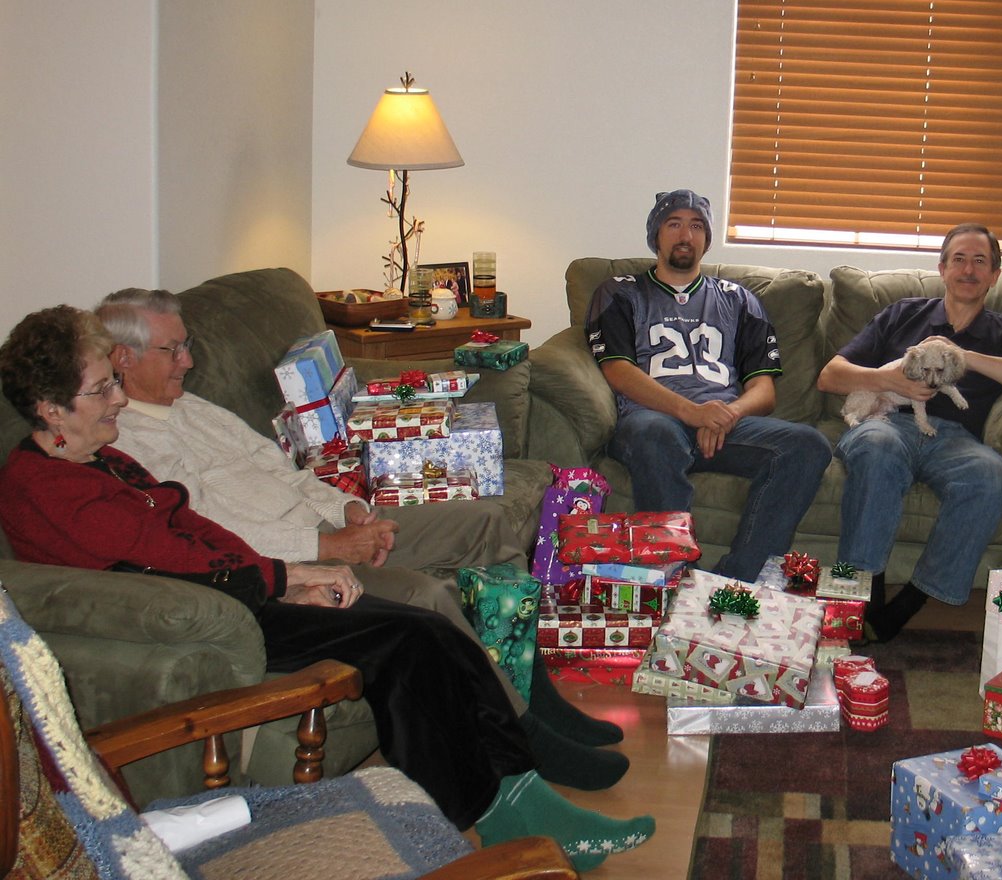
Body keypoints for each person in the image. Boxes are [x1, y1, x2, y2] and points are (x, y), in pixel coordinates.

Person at [0, 306, 654, 871]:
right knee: (410, 640)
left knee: (425, 633)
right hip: (220, 616)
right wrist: (288, 579)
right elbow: (168, 558)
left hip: (248, 587)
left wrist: (296, 569)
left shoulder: (102, 457)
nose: (116, 397)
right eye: (101, 388)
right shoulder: (49, 487)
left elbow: (197, 530)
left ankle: (519, 789)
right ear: (52, 409)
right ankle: (497, 807)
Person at [95, 288, 626, 781]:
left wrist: (348, 508)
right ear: (123, 357)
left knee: (484, 521)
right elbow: (210, 533)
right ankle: (523, 734)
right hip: (292, 558)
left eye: (186, 345)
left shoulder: (192, 407)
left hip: (324, 525)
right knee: (427, 594)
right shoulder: (125, 442)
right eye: (172, 350)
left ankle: (534, 688)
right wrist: (326, 547)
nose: (187, 361)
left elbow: (283, 471)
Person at [816, 223, 1002, 641]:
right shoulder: (903, 314)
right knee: (876, 448)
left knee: (992, 477)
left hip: (956, 439)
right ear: (942, 268)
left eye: (980, 261)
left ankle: (908, 603)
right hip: (885, 421)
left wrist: (964, 356)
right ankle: (866, 597)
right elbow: (830, 376)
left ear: (995, 275)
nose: (968, 270)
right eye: (959, 260)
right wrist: (888, 380)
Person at [585, 189, 831, 581]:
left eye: (697, 226)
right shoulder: (620, 291)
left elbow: (764, 391)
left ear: (707, 238)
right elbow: (618, 370)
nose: (686, 235)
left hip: (722, 425)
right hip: (652, 420)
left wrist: (726, 414)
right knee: (654, 434)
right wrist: (691, 412)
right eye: (674, 224)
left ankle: (737, 580)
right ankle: (678, 575)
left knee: (808, 445)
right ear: (655, 234)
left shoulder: (740, 300)